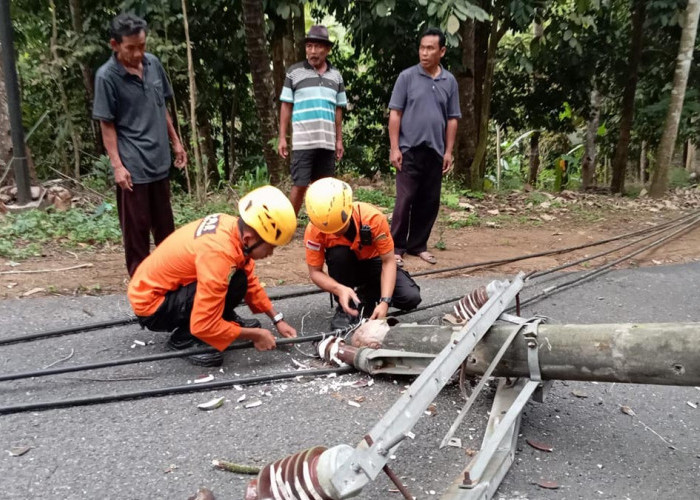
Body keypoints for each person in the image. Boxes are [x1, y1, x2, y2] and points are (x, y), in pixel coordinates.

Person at [127, 186, 298, 367]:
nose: (270, 253)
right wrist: (255, 335)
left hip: (170, 288)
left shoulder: (232, 227)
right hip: (153, 305)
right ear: (249, 239)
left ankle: (223, 320)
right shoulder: (219, 254)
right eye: (270, 247)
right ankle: (183, 339)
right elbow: (203, 324)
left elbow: (249, 279)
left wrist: (277, 319)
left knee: (239, 278)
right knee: (224, 285)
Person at [93, 13, 187, 277]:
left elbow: (161, 106)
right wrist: (117, 166)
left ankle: (174, 284)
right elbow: (107, 124)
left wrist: (176, 143)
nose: (137, 53)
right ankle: (142, 292)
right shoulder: (106, 77)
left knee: (166, 232)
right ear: (115, 45)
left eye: (142, 46)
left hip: (159, 162)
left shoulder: (154, 65)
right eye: (131, 47)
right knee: (136, 236)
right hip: (133, 169)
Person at [303, 177, 421, 330]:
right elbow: (315, 272)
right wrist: (339, 289)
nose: (336, 233)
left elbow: (388, 261)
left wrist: (385, 301)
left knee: (410, 298)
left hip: (374, 264)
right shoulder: (314, 230)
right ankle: (346, 309)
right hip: (344, 269)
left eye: (340, 228)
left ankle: (368, 294)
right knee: (339, 254)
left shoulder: (373, 218)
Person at [388, 28, 461, 267]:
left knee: (429, 201)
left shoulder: (448, 81)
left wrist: (448, 151)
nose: (424, 53)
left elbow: (452, 118)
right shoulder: (406, 77)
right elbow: (395, 113)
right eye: (422, 47)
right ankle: (396, 247)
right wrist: (394, 148)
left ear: (442, 51)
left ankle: (418, 245)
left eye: (430, 48)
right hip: (409, 149)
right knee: (405, 199)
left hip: (435, 151)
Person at [278, 25, 348, 215]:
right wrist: (282, 137)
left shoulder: (336, 76)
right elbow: (286, 105)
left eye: (317, 47)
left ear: (327, 50)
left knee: (324, 189)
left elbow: (338, 109)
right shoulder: (294, 72)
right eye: (309, 47)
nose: (313, 51)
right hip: (303, 141)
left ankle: (321, 227)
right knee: (299, 185)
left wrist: (339, 140)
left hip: (326, 142)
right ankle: (288, 225)